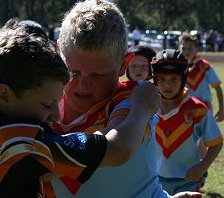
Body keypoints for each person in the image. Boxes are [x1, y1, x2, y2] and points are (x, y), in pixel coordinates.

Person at [0, 26, 160, 197]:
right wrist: (142, 106)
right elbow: (118, 150)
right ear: (3, 95)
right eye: (47, 104)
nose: (56, 115)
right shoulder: (23, 141)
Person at [47, 0, 201, 197]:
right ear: (58, 54)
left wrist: (143, 108)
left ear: (123, 65)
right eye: (72, 71)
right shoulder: (43, 102)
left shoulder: (131, 100)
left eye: (97, 75)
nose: (83, 84)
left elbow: (118, 147)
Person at [152, 49, 223, 195]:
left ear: (183, 78)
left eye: (174, 79)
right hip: (154, 179)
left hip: (188, 180)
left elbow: (216, 143)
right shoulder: (147, 108)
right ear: (155, 79)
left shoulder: (198, 110)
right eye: (162, 79)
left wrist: (202, 167)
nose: (167, 85)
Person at [179, 33, 224, 122]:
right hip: (184, 109)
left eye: (190, 48)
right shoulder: (179, 68)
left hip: (204, 109)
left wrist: (222, 109)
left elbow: (218, 88)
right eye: (183, 48)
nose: (186, 51)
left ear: (197, 49)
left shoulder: (205, 66)